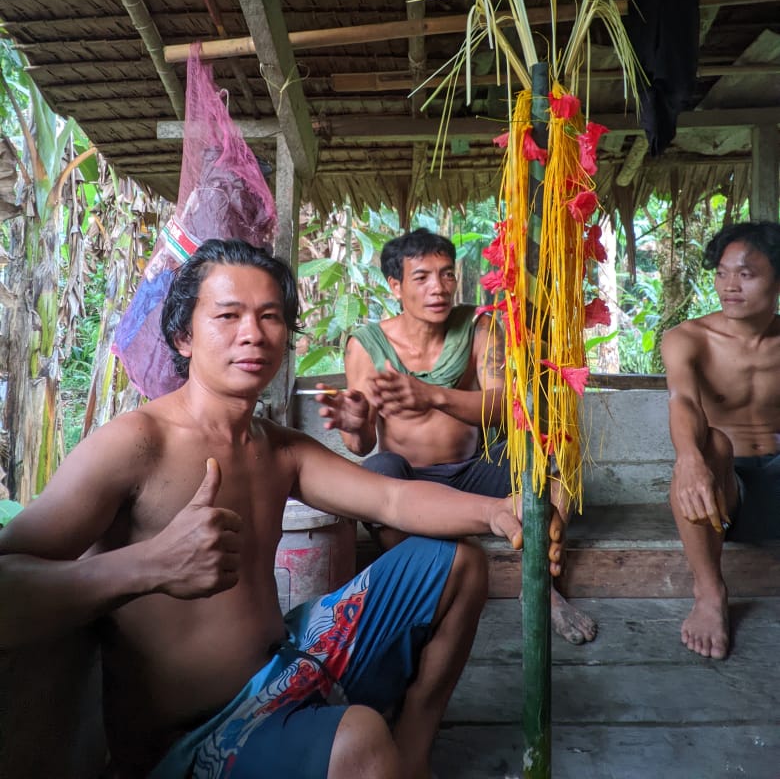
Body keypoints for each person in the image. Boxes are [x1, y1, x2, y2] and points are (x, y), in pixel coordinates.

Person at [0, 238, 564, 779]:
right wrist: (149, 566)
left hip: (286, 667)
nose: (253, 334)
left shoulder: (276, 446)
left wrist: (498, 511)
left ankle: (412, 755)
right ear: (183, 336)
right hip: (194, 738)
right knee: (358, 740)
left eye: (270, 317)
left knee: (456, 564)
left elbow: (392, 496)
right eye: (227, 316)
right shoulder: (136, 443)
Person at [318, 228, 597, 646]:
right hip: (407, 481)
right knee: (376, 470)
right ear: (395, 286)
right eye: (422, 277)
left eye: (447, 275)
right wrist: (354, 423)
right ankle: (427, 581)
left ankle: (540, 587)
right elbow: (361, 447)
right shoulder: (367, 345)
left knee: (554, 481)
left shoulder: (478, 326)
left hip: (470, 471)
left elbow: (505, 407)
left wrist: (431, 395)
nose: (439, 288)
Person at [661, 220, 780, 660]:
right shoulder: (688, 339)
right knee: (711, 444)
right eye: (722, 273)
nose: (729, 286)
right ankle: (710, 593)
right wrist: (689, 459)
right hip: (726, 492)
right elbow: (683, 400)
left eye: (746, 274)